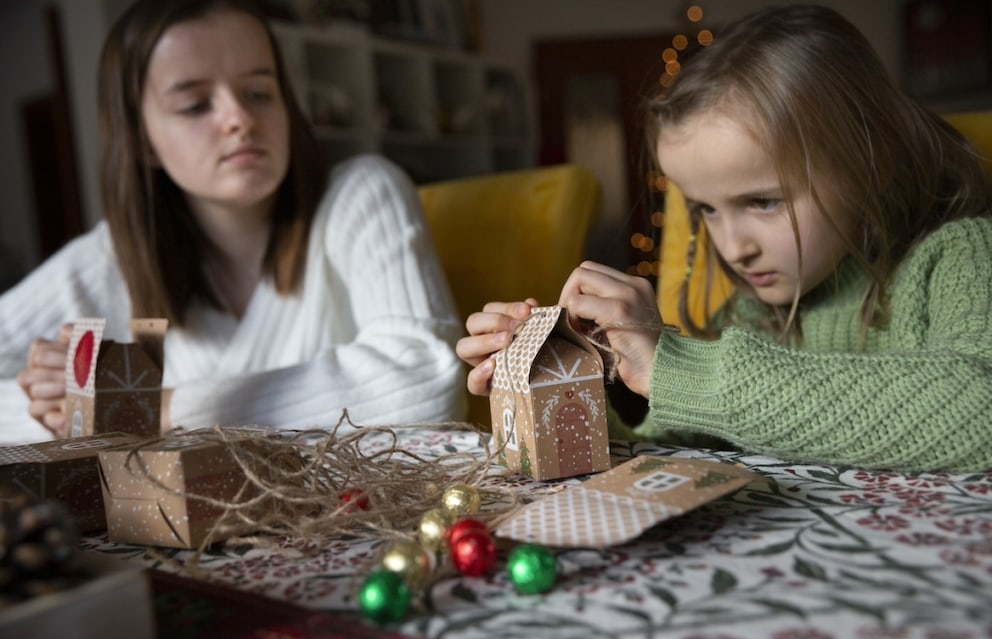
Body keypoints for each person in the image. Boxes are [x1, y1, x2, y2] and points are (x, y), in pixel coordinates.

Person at [456, 4, 992, 473]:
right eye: (705, 209)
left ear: (872, 162)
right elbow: (692, 444)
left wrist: (676, 367)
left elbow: (979, 409)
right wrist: (589, 380)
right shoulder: (757, 310)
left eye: (763, 201)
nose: (735, 247)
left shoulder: (957, 256)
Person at [0, 0, 465, 443]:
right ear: (142, 142)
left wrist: (150, 409)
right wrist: (62, 405)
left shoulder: (362, 193)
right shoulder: (113, 256)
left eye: (259, 92)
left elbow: (426, 378)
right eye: (196, 104)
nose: (240, 118)